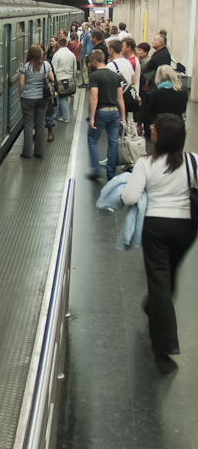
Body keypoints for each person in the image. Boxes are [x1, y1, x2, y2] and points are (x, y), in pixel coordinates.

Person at [121, 114, 197, 358]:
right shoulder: (193, 161)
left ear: (161, 136)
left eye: (154, 128)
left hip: (156, 227)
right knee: (169, 272)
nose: (150, 129)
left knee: (159, 279)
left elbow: (130, 197)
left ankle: (166, 342)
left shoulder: (146, 163)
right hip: (187, 228)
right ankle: (152, 304)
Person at [87, 49, 125, 181]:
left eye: (91, 62)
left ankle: (96, 170)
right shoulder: (115, 76)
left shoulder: (94, 76)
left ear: (95, 61)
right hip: (114, 112)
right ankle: (111, 174)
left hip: (101, 113)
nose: (90, 65)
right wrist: (123, 117)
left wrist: (91, 117)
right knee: (113, 142)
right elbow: (120, 98)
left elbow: (94, 97)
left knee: (92, 139)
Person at [19, 44, 55, 158]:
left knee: (28, 125)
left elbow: (21, 83)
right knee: (40, 124)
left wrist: (22, 94)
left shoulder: (25, 66)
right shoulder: (46, 65)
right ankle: (39, 152)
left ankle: (27, 152)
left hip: (28, 98)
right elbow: (52, 79)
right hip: (42, 98)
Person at [52, 37, 77, 122]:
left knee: (62, 98)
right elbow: (74, 69)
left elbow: (54, 69)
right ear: (66, 44)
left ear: (58, 44)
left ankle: (65, 117)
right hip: (69, 78)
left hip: (60, 79)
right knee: (65, 97)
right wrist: (74, 79)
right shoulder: (71, 54)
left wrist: (53, 82)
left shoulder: (57, 55)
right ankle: (59, 114)